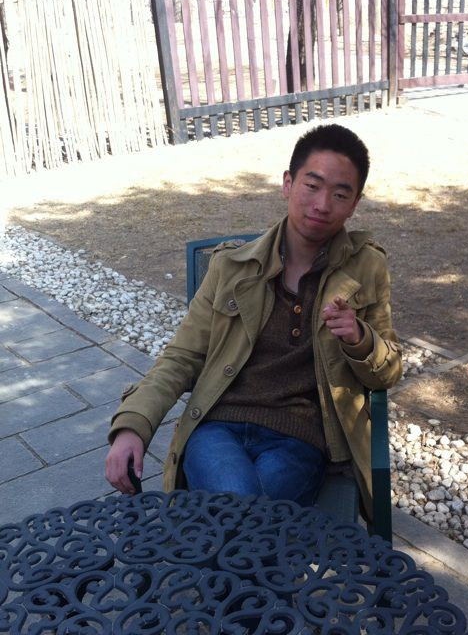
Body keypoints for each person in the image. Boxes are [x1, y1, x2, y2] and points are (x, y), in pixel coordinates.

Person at [105, 123, 402, 515]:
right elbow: (182, 356)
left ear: (354, 203)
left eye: (340, 194)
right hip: (218, 428)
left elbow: (387, 373)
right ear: (288, 184)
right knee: (248, 514)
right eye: (312, 185)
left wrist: (360, 340)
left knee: (232, 510)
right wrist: (133, 425)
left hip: (298, 438)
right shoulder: (232, 267)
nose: (322, 204)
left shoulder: (366, 267)